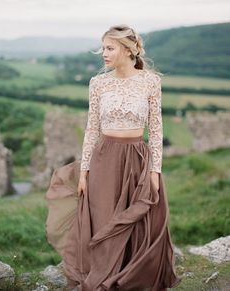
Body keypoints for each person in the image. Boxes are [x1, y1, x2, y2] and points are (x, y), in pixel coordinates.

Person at [45, 24, 182, 291]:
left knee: (137, 218)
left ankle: (131, 275)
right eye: (103, 48)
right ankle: (104, 272)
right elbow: (91, 129)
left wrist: (155, 171)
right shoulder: (98, 83)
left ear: (128, 49)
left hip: (137, 159)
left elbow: (155, 130)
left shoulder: (151, 81)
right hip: (103, 159)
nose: (104, 54)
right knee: (105, 217)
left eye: (109, 48)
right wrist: (84, 171)